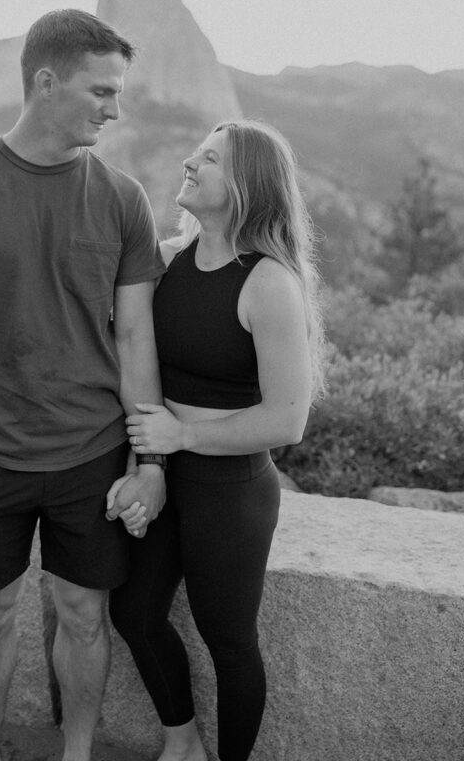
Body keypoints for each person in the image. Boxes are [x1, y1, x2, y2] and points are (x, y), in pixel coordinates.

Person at [0, 9, 168, 761]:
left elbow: (135, 335)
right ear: (46, 82)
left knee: (84, 615)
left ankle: (75, 755)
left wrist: (150, 461)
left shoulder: (123, 199)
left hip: (92, 455)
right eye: (101, 91)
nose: (115, 109)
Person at [107, 119, 325, 761]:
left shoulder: (269, 283)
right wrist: (146, 459)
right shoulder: (167, 262)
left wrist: (185, 435)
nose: (189, 162)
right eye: (196, 151)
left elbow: (288, 420)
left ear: (246, 186)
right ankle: (182, 743)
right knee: (135, 615)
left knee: (228, 641)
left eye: (209, 158)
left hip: (230, 489)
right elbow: (135, 361)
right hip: (159, 471)